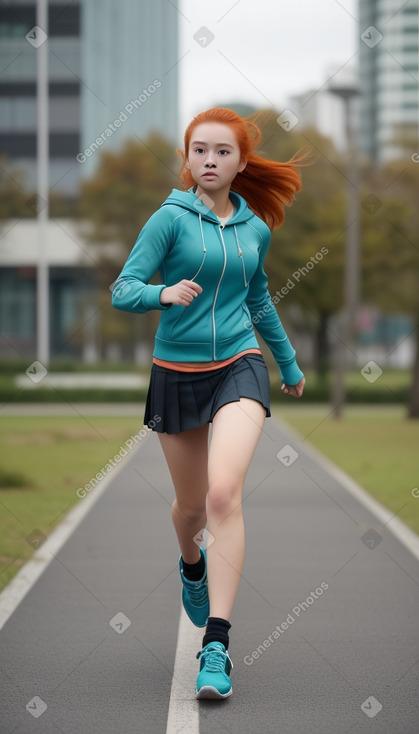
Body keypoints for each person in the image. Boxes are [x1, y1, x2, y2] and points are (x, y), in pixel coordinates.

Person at [111, 107, 306, 699]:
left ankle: (215, 644)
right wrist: (159, 293)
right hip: (177, 372)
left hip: (239, 366)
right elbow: (123, 289)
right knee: (191, 511)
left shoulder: (255, 229)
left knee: (225, 493)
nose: (209, 161)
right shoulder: (168, 220)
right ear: (188, 158)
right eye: (199, 151)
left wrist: (288, 361)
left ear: (241, 162)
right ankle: (189, 564)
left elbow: (260, 300)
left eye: (222, 152)